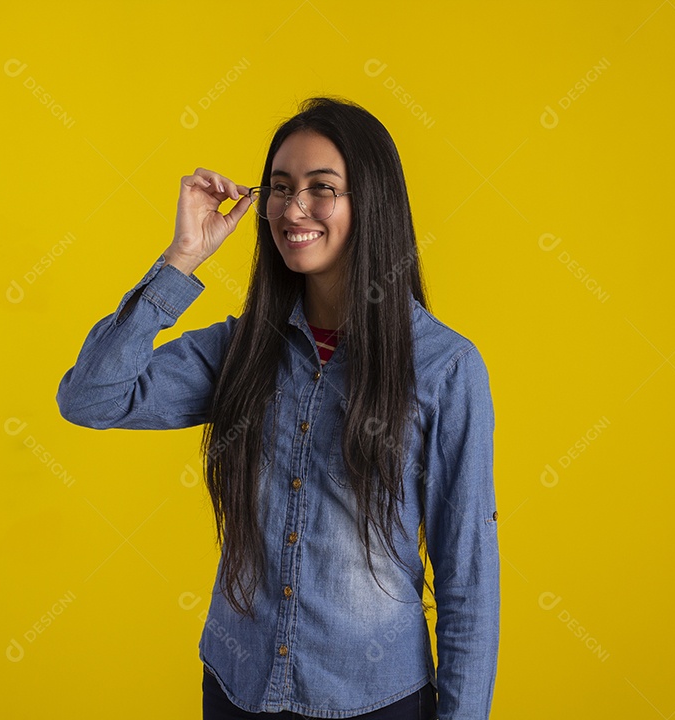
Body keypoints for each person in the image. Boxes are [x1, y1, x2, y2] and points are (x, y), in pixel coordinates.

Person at [56, 96, 500, 720]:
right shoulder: (242, 348)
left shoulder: (444, 367)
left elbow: (468, 576)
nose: (293, 209)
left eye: (322, 188)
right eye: (280, 188)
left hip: (374, 699)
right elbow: (90, 399)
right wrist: (182, 258)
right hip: (238, 688)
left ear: (369, 202)